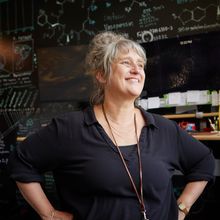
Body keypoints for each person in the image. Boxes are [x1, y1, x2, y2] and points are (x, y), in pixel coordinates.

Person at [8, 31, 215, 220]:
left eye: (141, 65)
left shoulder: (163, 129)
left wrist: (182, 208)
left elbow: (204, 160)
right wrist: (49, 214)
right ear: (102, 75)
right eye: (126, 62)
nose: (136, 70)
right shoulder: (69, 128)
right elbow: (21, 160)